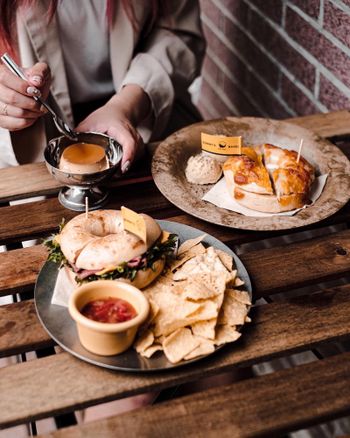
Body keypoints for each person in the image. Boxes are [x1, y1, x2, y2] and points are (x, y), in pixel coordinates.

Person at [0, 0, 205, 171]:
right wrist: (8, 96)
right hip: (31, 138)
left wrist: (127, 105)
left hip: (147, 110)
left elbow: (179, 33)